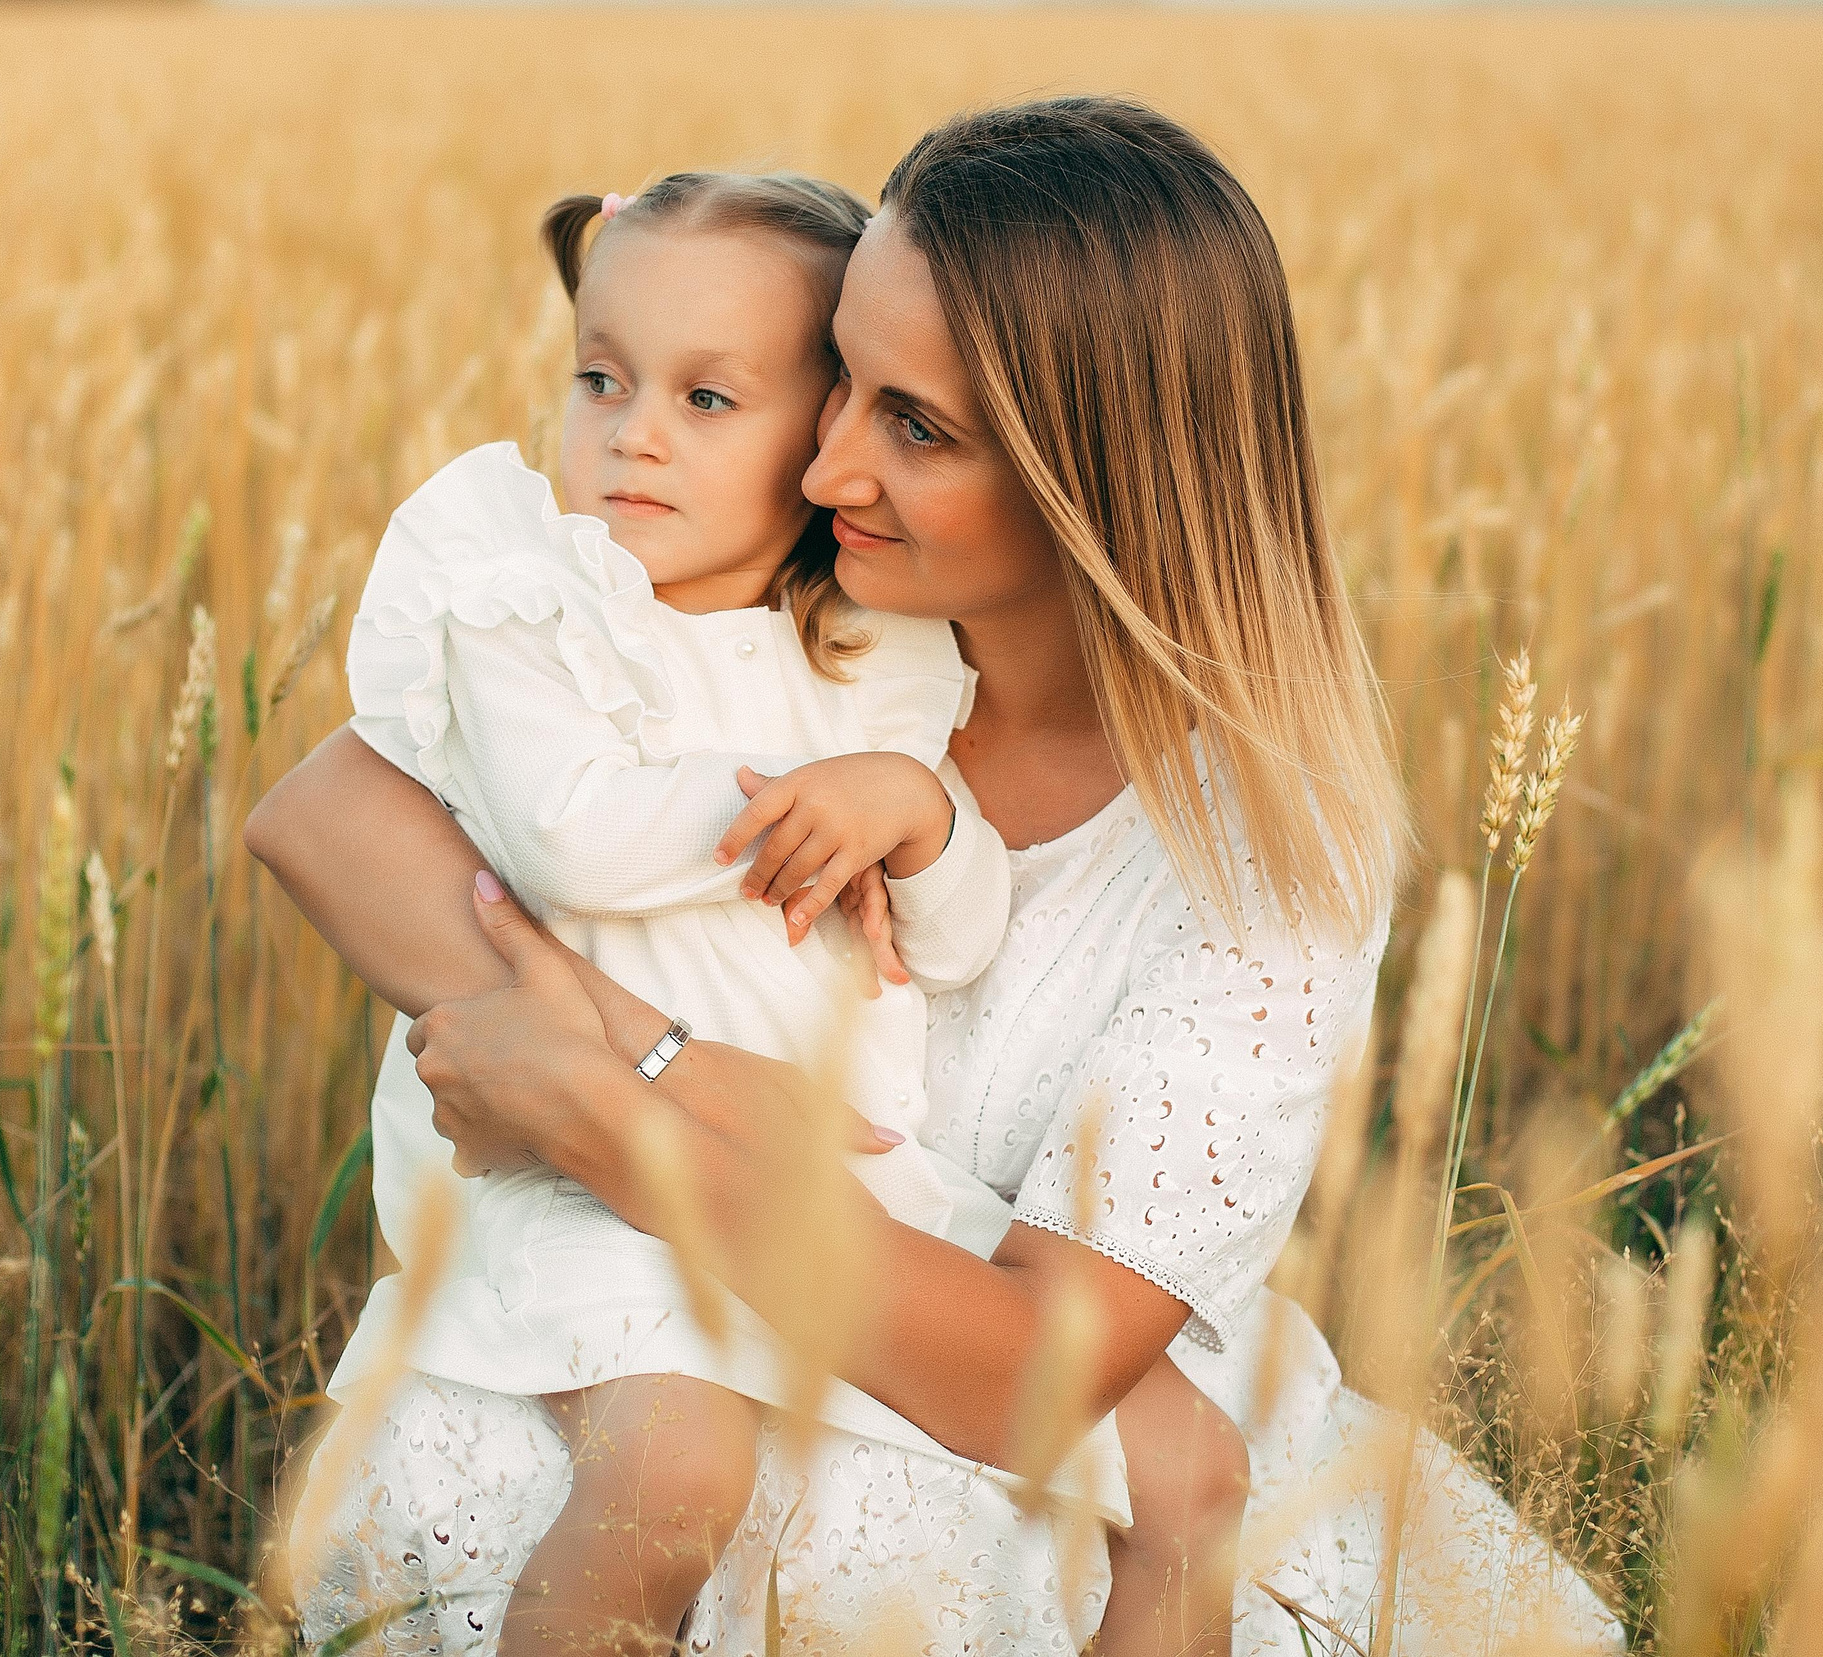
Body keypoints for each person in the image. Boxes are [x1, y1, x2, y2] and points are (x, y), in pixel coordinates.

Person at [252, 96, 1623, 1655]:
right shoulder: (777, 614)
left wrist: (614, 1098)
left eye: (915, 426)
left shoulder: (1262, 859)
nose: (827, 460)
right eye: (837, 374)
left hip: (1034, 1451)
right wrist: (633, 1053)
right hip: (654, 1340)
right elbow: (332, 810)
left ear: (1091, 477)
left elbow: (1028, 1377)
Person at [321, 167, 1251, 1655]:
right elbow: (569, 838)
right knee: (676, 1474)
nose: (632, 433)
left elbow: (951, 942)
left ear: (818, 433)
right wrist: (800, 804)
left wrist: (918, 814)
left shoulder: (873, 650)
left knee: (1194, 1464)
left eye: (707, 400)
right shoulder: (534, 608)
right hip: (581, 1186)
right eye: (602, 379)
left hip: (833, 1178)